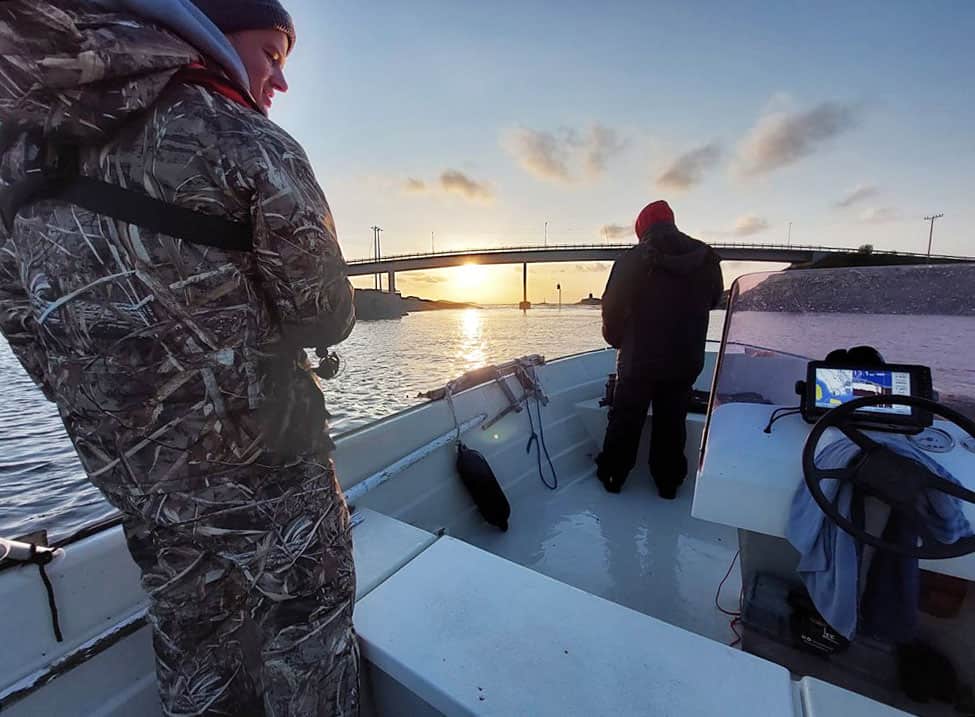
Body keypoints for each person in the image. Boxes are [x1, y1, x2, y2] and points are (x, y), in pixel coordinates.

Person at [0, 1, 359, 714]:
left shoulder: (20, 166)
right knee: (306, 638)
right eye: (271, 54)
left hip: (142, 488)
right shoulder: (245, 137)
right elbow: (326, 314)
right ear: (207, 37)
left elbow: (30, 332)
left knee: (194, 651)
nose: (280, 82)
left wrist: (119, 406)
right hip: (274, 477)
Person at [596, 200, 723, 498]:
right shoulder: (706, 258)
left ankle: (613, 476)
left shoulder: (632, 259)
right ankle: (668, 484)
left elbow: (611, 308)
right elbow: (714, 299)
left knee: (625, 418)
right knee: (672, 420)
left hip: (639, 357)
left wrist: (616, 340)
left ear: (642, 228)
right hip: (686, 356)